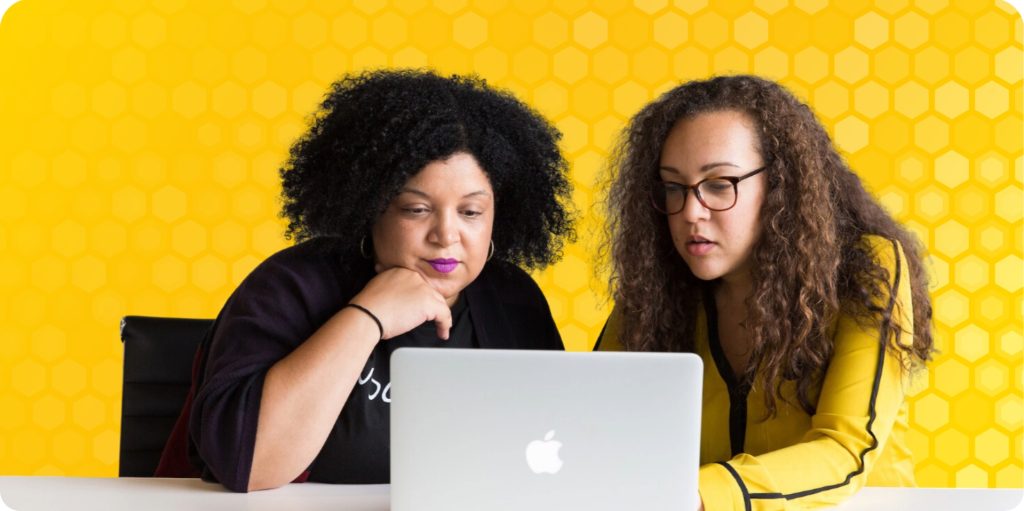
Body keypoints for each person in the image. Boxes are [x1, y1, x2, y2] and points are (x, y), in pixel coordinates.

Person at [155, 69, 575, 492]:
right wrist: (368, 315)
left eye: (471, 212)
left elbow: (559, 448)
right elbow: (248, 468)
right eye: (416, 209)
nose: (446, 235)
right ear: (370, 206)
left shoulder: (512, 298)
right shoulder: (292, 286)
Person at [595, 75, 933, 510]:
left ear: (780, 187)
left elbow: (845, 450)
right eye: (673, 188)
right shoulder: (656, 287)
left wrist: (694, 495)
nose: (690, 212)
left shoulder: (865, 269)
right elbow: (596, 425)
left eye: (719, 184)